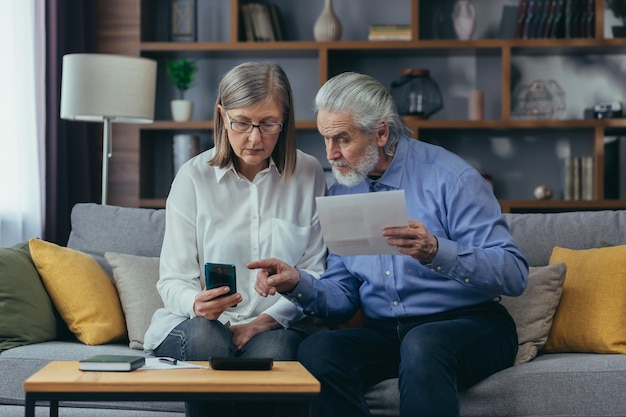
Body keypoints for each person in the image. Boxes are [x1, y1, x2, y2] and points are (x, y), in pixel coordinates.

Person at [248, 72, 529, 417]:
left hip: (472, 326)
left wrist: (437, 252)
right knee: (318, 350)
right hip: (388, 332)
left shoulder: (451, 178)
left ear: (380, 133)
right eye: (325, 138)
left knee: (423, 344)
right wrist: (297, 283)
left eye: (342, 139)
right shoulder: (343, 191)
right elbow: (342, 299)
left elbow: (514, 274)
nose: (331, 154)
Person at [143, 62, 327, 416]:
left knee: (276, 350)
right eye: (241, 122)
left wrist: (259, 323)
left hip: (274, 325)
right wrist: (197, 304)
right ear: (222, 116)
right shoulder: (193, 177)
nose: (254, 138)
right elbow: (173, 280)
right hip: (200, 326)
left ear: (285, 120)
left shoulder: (309, 173)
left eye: (268, 124)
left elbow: (315, 274)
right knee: (208, 338)